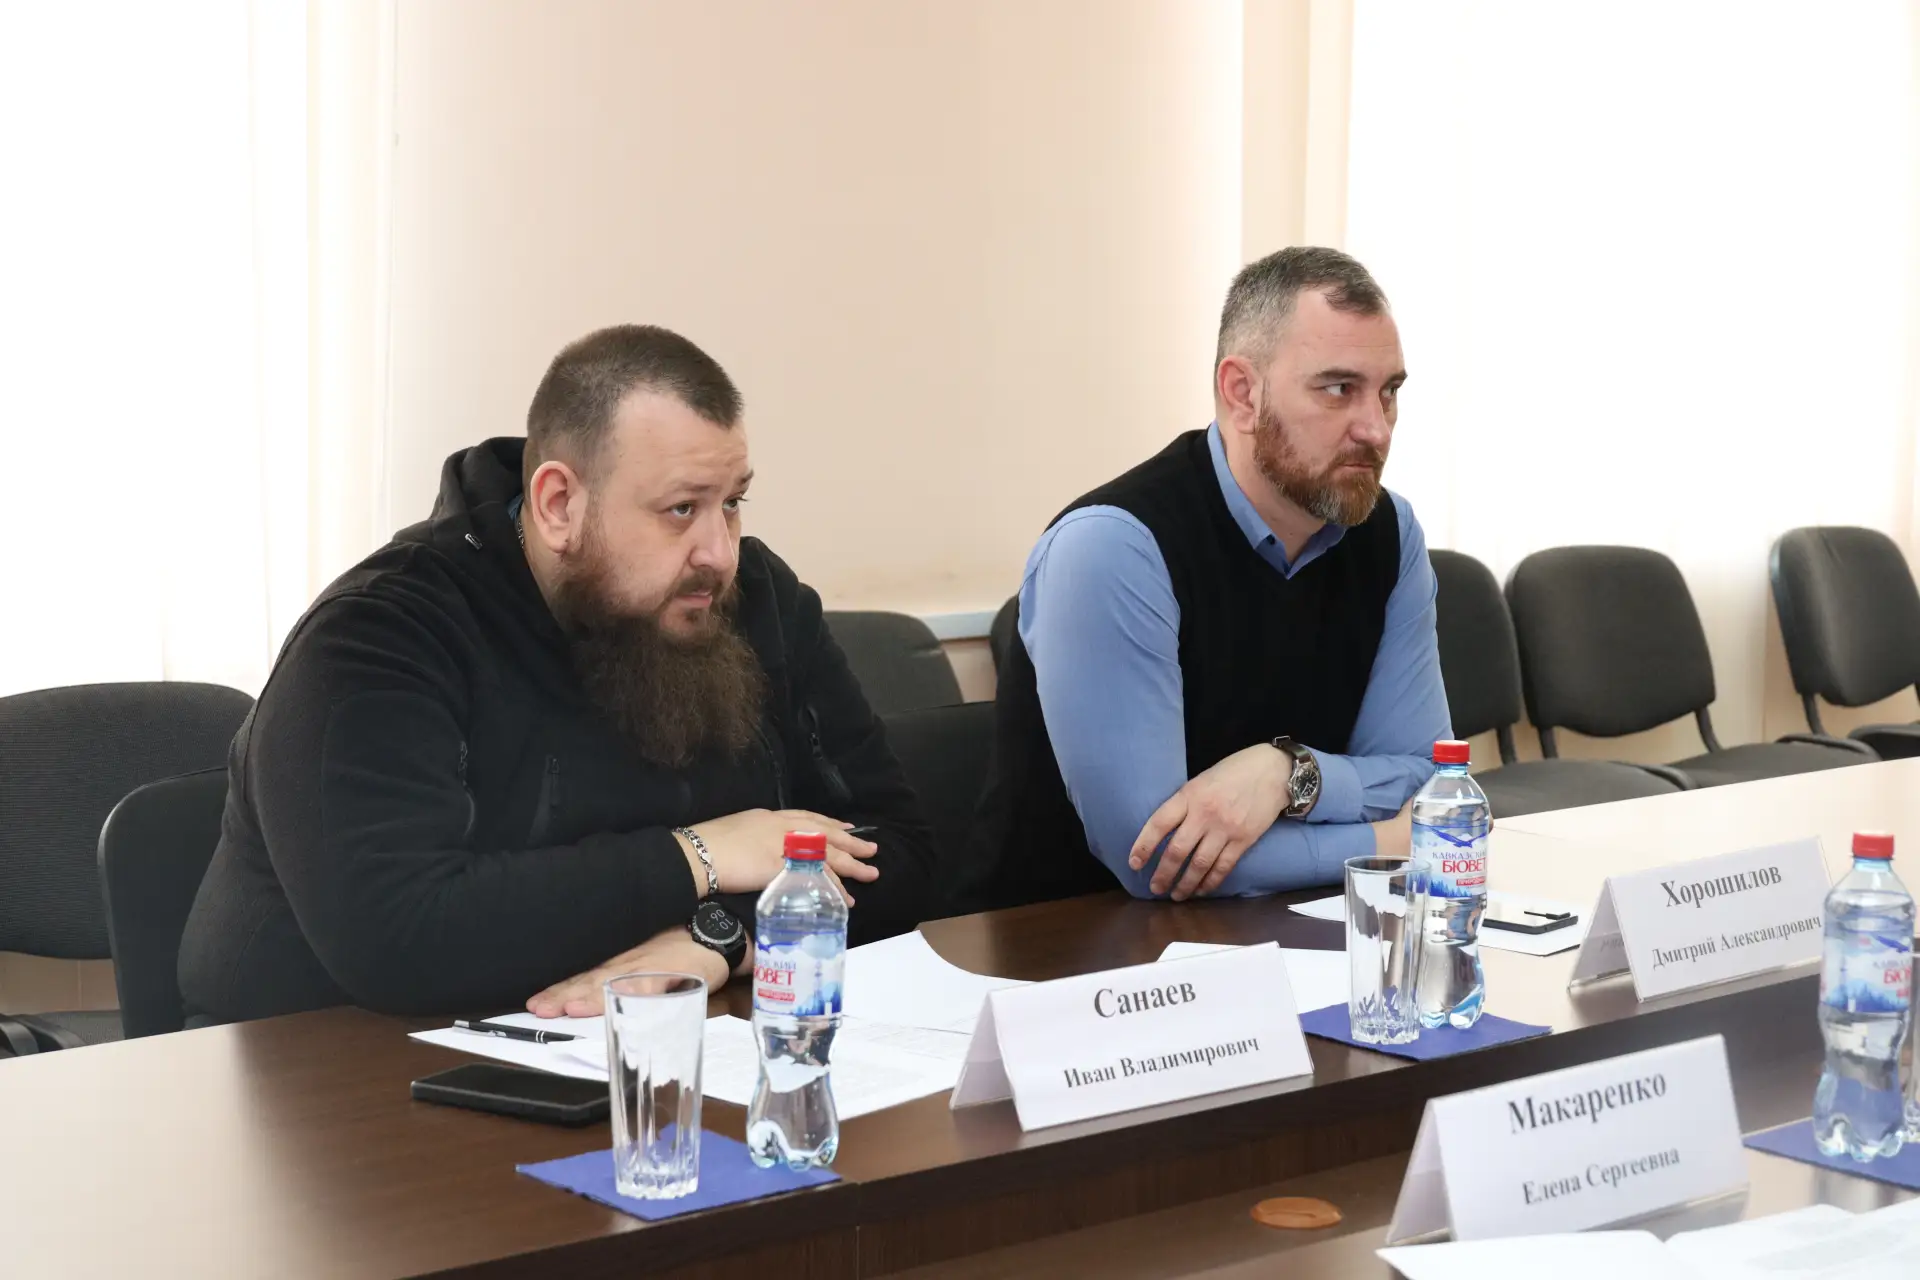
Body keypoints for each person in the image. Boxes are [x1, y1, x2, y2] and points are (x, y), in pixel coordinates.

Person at [179, 325, 936, 1024]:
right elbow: (399, 939)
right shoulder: (377, 637)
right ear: (558, 504)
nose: (721, 552)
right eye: (681, 509)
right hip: (325, 1074)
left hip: (648, 1048)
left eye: (732, 503)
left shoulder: (755, 598)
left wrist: (721, 938)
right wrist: (701, 856)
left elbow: (900, 849)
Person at [966, 246, 1450, 910]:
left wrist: (1289, 773)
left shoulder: (1390, 533)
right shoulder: (1113, 546)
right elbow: (1156, 861)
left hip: (1295, 929)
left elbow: (1432, 782)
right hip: (1070, 943)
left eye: (1388, 392)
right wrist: (1387, 842)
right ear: (1242, 393)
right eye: (1339, 389)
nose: (1375, 428)